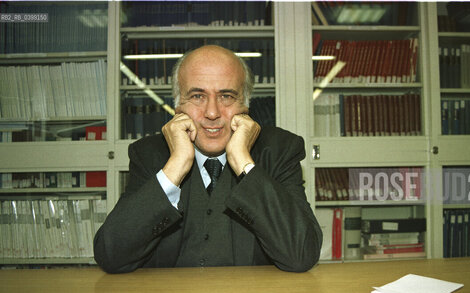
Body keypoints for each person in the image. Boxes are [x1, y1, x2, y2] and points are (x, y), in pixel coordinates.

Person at [93, 45, 322, 273]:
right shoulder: (150, 155)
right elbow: (111, 255)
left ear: (246, 105)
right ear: (177, 105)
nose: (212, 113)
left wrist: (243, 162)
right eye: (197, 96)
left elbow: (301, 254)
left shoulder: (280, 151)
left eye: (226, 96)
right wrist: (175, 167)